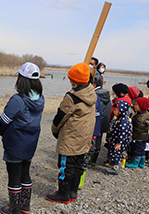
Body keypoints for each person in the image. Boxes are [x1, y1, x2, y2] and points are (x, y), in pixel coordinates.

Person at [0, 63, 44, 214]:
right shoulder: (41, 99)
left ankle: (14, 210)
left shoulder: (18, 100)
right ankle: (25, 206)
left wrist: (0, 132)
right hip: (30, 142)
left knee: (14, 176)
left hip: (15, 142)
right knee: (25, 173)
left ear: (21, 80)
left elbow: (4, 120)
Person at [46, 63, 96, 204]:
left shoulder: (72, 97)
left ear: (75, 81)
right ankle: (72, 192)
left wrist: (55, 130)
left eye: (71, 79)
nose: (69, 81)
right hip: (84, 138)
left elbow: (60, 116)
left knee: (66, 166)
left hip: (71, 138)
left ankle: (63, 194)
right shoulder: (91, 93)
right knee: (79, 165)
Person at [88, 78, 112, 168]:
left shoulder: (94, 95)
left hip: (96, 122)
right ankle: (93, 161)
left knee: (92, 143)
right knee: (98, 143)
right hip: (104, 123)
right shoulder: (106, 94)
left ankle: (89, 162)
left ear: (93, 85)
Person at [106, 101, 132, 175]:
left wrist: (119, 142)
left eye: (115, 110)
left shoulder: (123, 121)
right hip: (115, 140)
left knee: (116, 154)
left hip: (119, 142)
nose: (114, 112)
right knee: (114, 153)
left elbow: (122, 133)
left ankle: (116, 169)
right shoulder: (119, 119)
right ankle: (114, 166)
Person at [125, 97, 149, 169]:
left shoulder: (139, 118)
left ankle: (135, 162)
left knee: (137, 150)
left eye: (136, 105)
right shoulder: (146, 114)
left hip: (138, 137)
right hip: (144, 137)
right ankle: (142, 162)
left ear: (141, 106)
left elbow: (138, 129)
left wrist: (133, 137)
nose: (134, 106)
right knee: (142, 150)